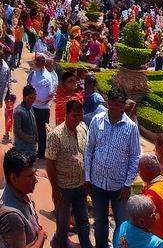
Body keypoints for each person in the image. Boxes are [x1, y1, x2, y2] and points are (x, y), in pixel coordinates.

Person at [86, 84, 142, 248]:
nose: (114, 107)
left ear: (124, 104)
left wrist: (127, 184)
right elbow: (89, 150)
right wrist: (87, 178)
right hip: (97, 183)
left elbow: (134, 157)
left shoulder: (131, 127)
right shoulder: (98, 120)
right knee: (100, 222)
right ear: (108, 102)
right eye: (111, 103)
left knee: (122, 223)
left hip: (119, 187)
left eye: (118, 104)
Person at [46, 97, 91, 248]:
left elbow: (87, 155)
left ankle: (85, 244)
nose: (78, 119)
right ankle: (58, 243)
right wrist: (55, 189)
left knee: (83, 220)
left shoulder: (83, 128)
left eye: (80, 115)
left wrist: (87, 180)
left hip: (80, 186)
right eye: (74, 116)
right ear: (66, 114)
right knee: (63, 224)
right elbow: (50, 163)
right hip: (63, 188)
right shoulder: (56, 135)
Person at [1, 149, 45, 248]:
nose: (36, 180)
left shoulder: (24, 196)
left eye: (34, 174)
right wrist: (41, 236)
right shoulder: (12, 216)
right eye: (30, 176)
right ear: (13, 178)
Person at [28, 51, 57, 159]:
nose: (35, 63)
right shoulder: (33, 74)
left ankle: (42, 151)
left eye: (38, 62)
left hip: (44, 108)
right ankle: (32, 149)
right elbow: (28, 88)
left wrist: (48, 98)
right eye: (36, 62)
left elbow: (53, 90)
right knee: (32, 129)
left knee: (43, 130)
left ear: (43, 62)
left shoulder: (48, 75)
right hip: (33, 106)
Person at [13, 83, 38, 158]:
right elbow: (17, 130)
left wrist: (36, 137)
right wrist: (29, 139)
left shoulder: (31, 108)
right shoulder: (19, 111)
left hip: (32, 146)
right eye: (31, 98)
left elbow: (34, 124)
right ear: (24, 97)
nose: (33, 100)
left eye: (34, 98)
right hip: (22, 147)